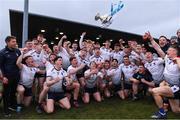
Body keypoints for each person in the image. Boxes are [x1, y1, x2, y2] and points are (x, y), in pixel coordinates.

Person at [144, 31, 180, 119]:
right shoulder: (167, 57)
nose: (167, 51)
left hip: (177, 87)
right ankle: (163, 110)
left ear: (175, 52)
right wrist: (151, 38)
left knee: (155, 91)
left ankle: (162, 113)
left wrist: (177, 60)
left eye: (170, 50)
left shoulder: (178, 59)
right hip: (169, 84)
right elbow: (157, 48)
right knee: (176, 110)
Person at [0, 36, 21, 117]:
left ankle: (12, 106)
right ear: (7, 42)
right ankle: (6, 110)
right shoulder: (2, 52)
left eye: (15, 41)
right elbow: (0, 66)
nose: (15, 43)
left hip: (16, 76)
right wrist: (3, 77)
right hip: (7, 77)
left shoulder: (17, 51)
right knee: (6, 94)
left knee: (13, 92)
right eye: (13, 41)